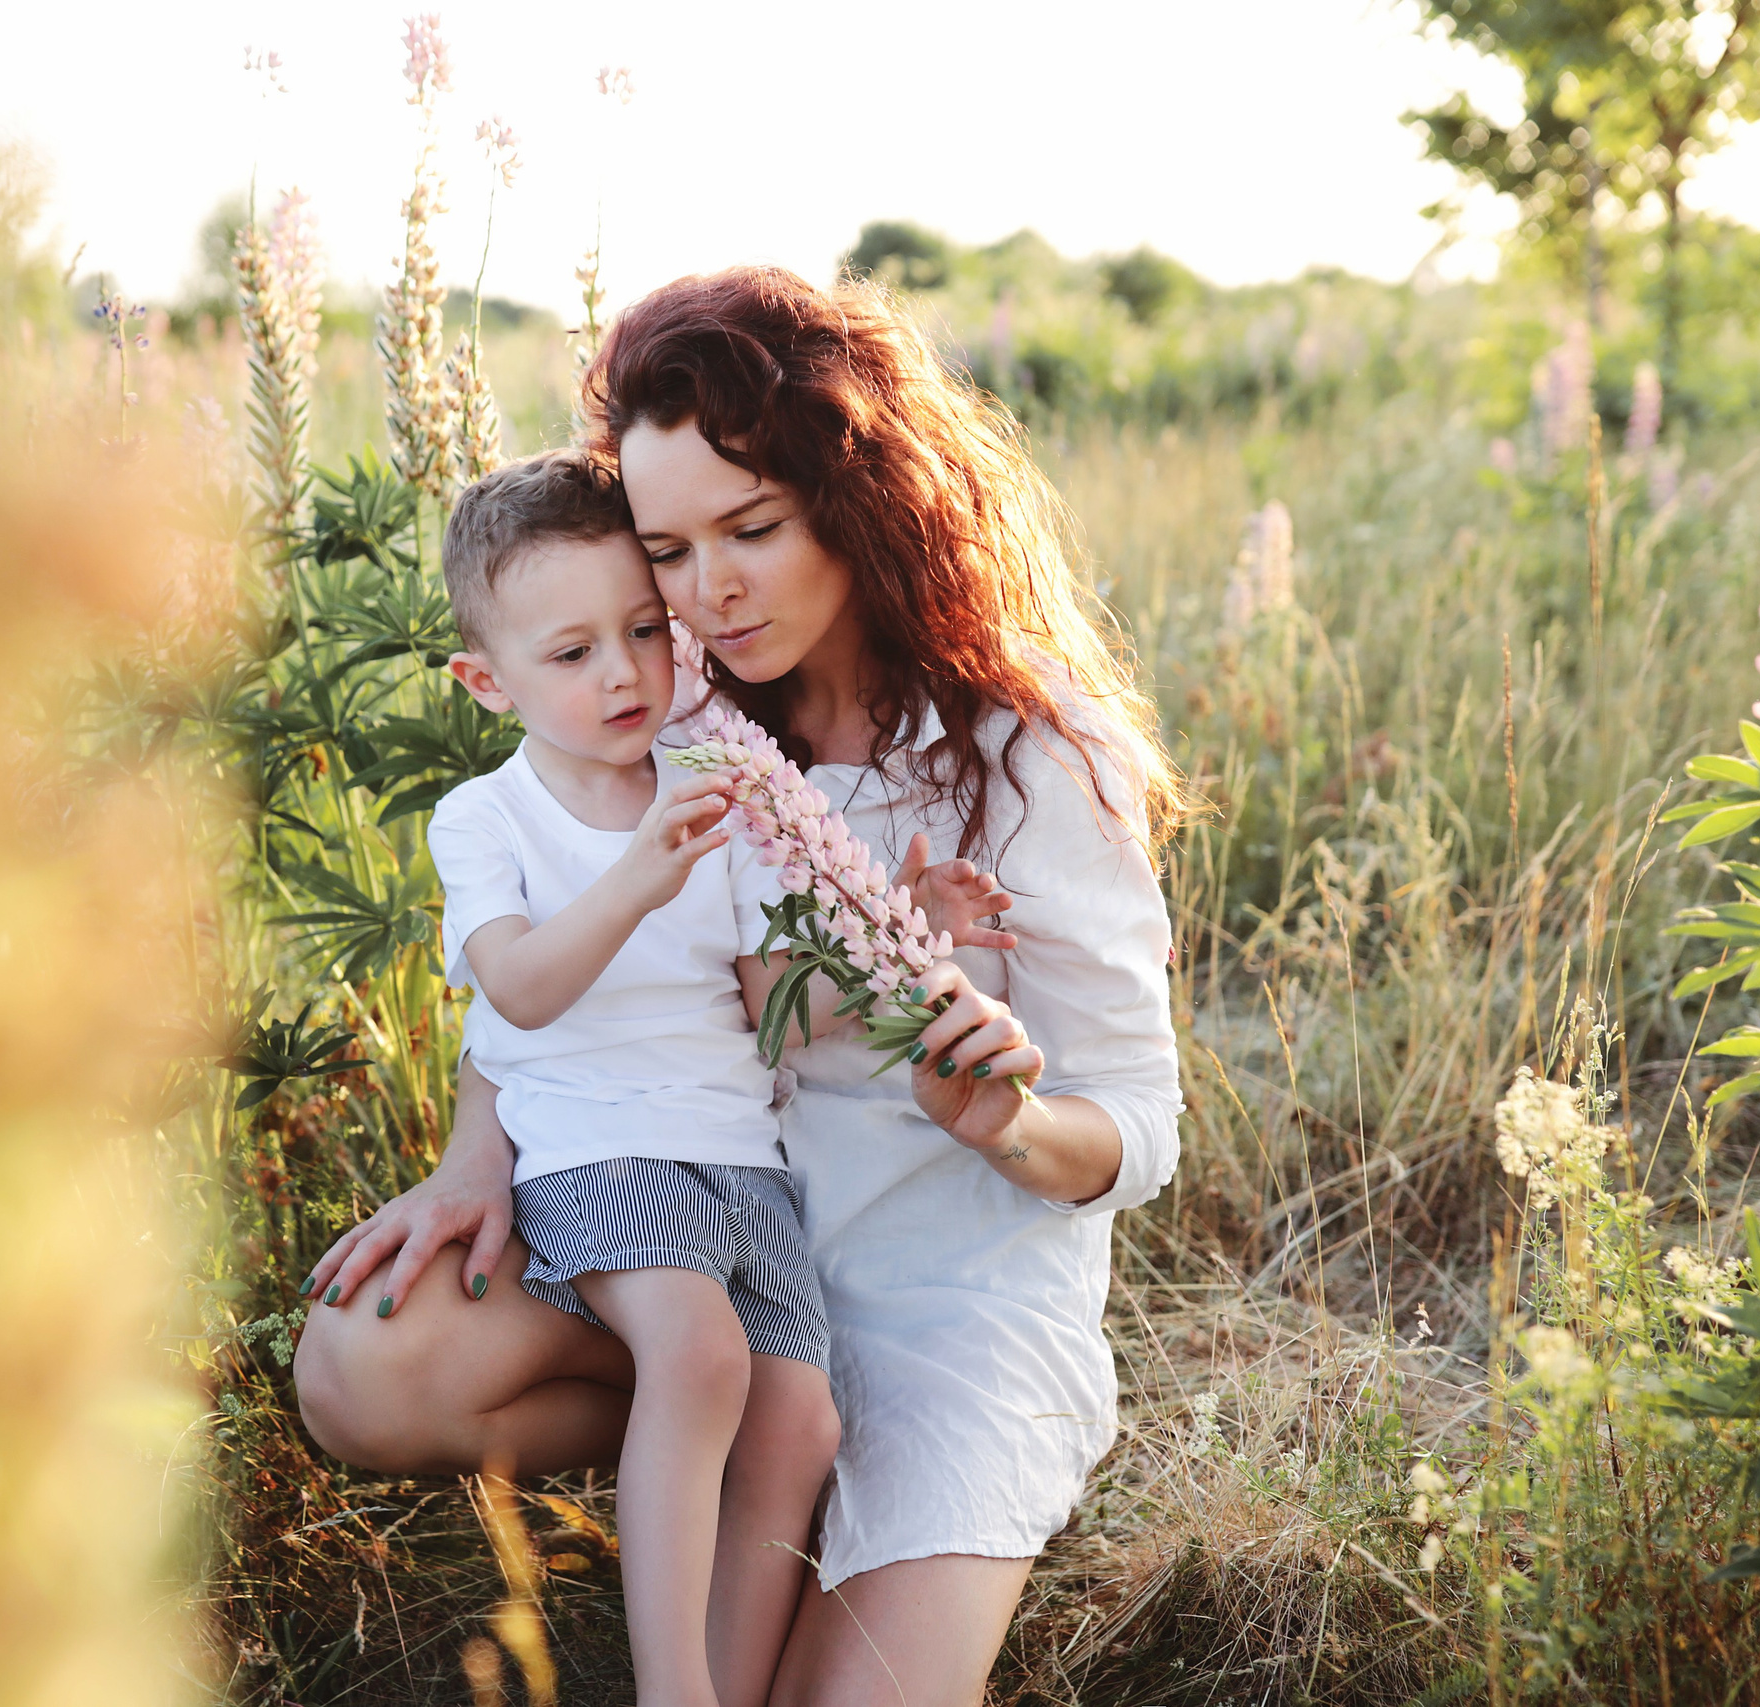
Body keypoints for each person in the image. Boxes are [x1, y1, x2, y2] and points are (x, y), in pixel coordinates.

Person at [296, 267, 1186, 1707]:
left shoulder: (1035, 750)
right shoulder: (675, 701)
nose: (706, 592)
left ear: (861, 498)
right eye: (669, 549)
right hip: (698, 1223)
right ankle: (704, 1443)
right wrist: (477, 1154)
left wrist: (1006, 1120)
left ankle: (756, 1474)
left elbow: (1138, 1123)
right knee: (360, 1364)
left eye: (753, 529)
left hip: (939, 1300)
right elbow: (570, 940)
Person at [405, 447, 837, 1707]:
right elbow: (521, 988)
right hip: (598, 1150)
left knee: (798, 1419)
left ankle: (725, 1677)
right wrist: (641, 875)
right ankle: (673, 1690)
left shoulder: (720, 793)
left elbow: (776, 1023)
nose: (623, 674)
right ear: (487, 681)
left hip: (743, 1162)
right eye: (572, 651)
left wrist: (905, 933)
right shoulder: (487, 820)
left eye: (644, 633)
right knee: (699, 1359)